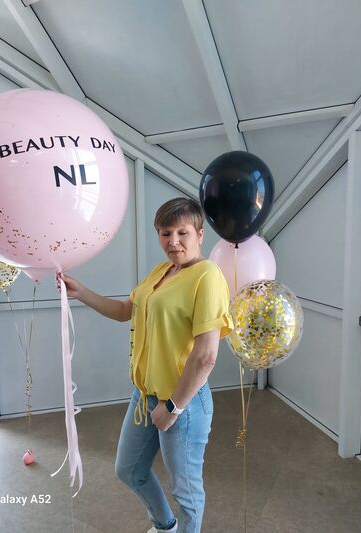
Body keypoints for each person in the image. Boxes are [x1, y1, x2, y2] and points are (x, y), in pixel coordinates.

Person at [57, 197, 233, 533]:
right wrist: (83, 293)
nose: (173, 241)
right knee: (128, 469)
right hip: (145, 395)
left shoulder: (207, 276)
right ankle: (165, 526)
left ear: (199, 234)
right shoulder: (162, 272)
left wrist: (173, 407)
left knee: (186, 492)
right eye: (165, 233)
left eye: (182, 232)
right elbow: (126, 310)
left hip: (183, 401)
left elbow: (206, 355)